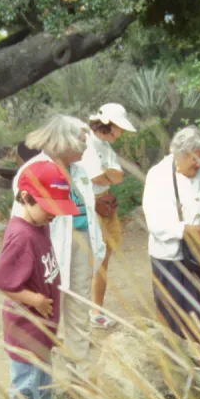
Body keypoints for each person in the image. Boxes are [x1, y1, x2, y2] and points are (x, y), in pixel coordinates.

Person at [0, 161, 79, 399]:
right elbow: (1, 281)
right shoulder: (21, 235)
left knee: (42, 389)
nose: (54, 213)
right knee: (25, 394)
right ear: (26, 198)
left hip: (42, 332)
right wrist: (36, 301)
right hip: (25, 332)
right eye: (48, 206)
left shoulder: (40, 225)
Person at [11, 115, 104, 374]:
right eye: (82, 141)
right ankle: (42, 373)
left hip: (81, 243)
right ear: (64, 141)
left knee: (79, 308)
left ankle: (79, 375)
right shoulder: (31, 171)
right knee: (47, 311)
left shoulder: (80, 170)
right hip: (49, 246)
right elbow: (21, 218)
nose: (86, 147)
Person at [142, 126, 200, 340]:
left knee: (197, 313)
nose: (199, 164)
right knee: (173, 317)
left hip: (199, 256)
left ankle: (195, 359)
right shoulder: (158, 176)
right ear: (179, 154)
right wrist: (186, 230)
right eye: (195, 159)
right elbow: (155, 223)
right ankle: (177, 362)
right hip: (170, 258)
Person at [80, 103, 136, 328]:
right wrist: (107, 176)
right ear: (108, 125)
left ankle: (96, 311)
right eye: (119, 128)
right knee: (87, 260)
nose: (121, 133)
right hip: (89, 206)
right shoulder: (87, 143)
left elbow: (117, 176)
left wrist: (107, 176)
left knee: (103, 259)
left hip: (105, 205)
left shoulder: (106, 147)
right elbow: (96, 177)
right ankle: (83, 312)